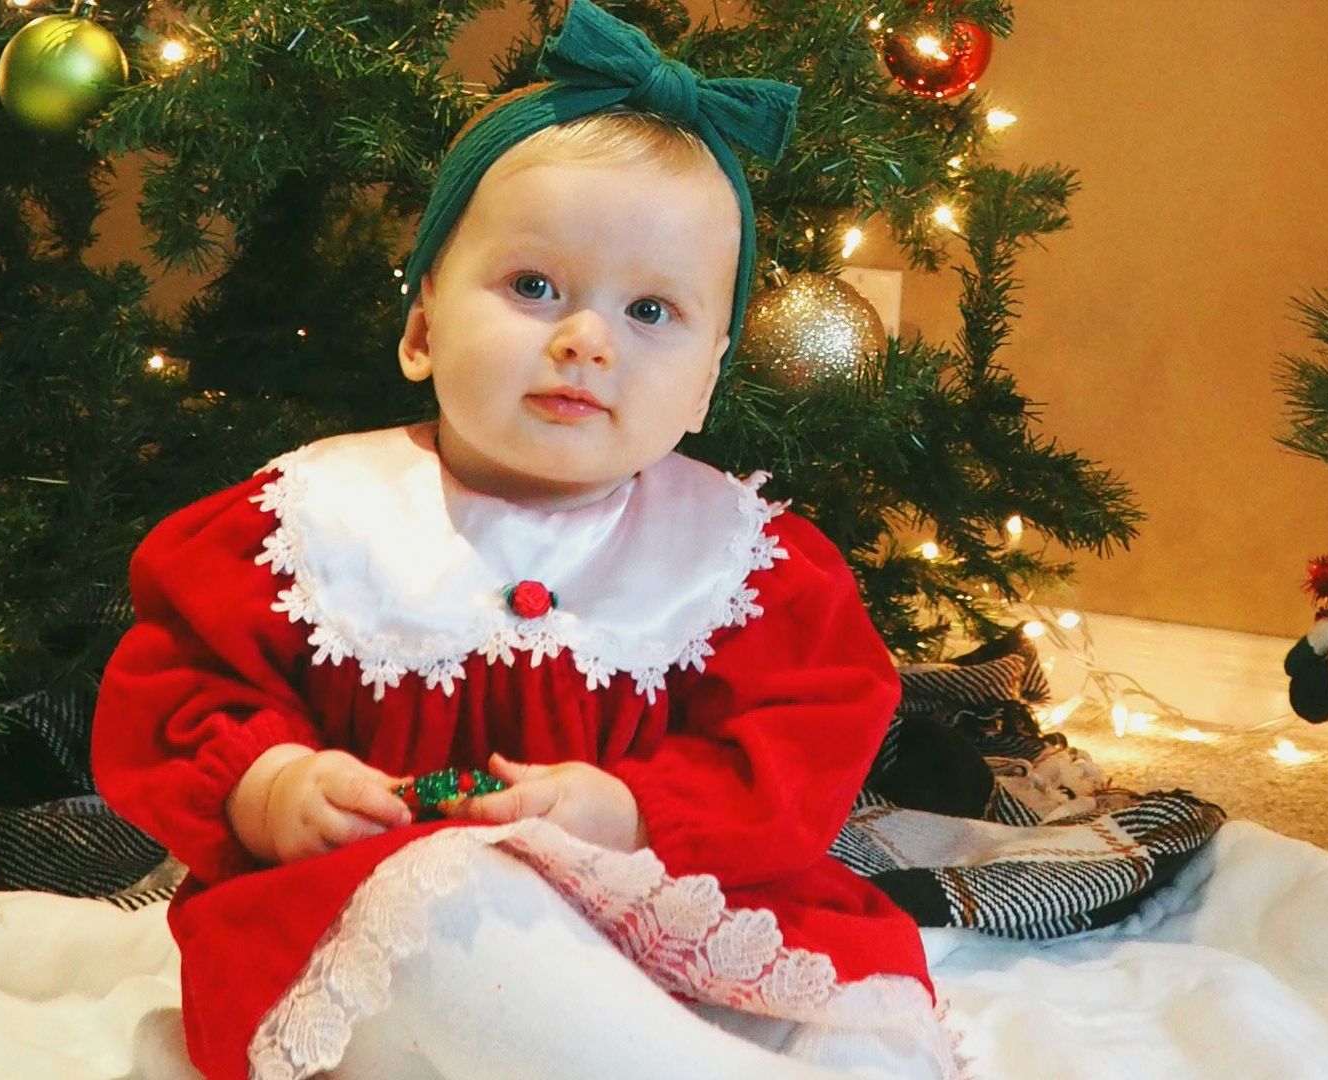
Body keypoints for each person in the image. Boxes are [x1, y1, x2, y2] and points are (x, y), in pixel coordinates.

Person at [92, 3, 956, 1077]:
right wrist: (268, 784)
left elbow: (799, 745)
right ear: (421, 327)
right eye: (534, 286)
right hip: (399, 932)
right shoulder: (311, 525)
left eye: (651, 312)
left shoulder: (744, 566)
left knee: (858, 1020)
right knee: (455, 895)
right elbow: (179, 692)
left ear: (706, 383)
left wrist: (641, 811)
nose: (585, 340)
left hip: (665, 917)